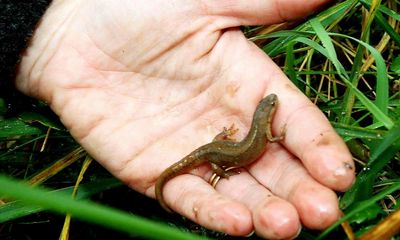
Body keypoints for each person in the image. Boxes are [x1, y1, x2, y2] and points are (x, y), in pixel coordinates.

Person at [2, 0, 355, 239]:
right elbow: (267, 140)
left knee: (221, 156)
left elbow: (261, 137)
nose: (269, 108)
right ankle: (210, 172)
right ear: (267, 116)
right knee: (215, 159)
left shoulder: (261, 128)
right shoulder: (263, 131)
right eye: (268, 107)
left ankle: (211, 167)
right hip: (218, 152)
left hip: (221, 148)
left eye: (269, 107)